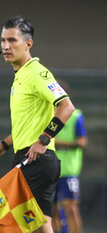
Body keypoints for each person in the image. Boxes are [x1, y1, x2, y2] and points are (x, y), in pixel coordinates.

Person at [0, 16, 75, 233]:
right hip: (35, 160)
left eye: (12, 40)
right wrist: (5, 145)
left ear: (28, 44)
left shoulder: (36, 73)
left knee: (6, 221)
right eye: (3, 40)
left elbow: (66, 107)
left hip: (35, 161)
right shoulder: (21, 76)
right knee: (43, 224)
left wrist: (43, 140)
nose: (6, 46)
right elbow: (28, 124)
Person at [52, 80, 88, 233]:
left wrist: (60, 143)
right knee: (51, 211)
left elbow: (82, 142)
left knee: (70, 208)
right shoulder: (46, 114)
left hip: (68, 170)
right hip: (51, 170)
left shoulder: (75, 116)